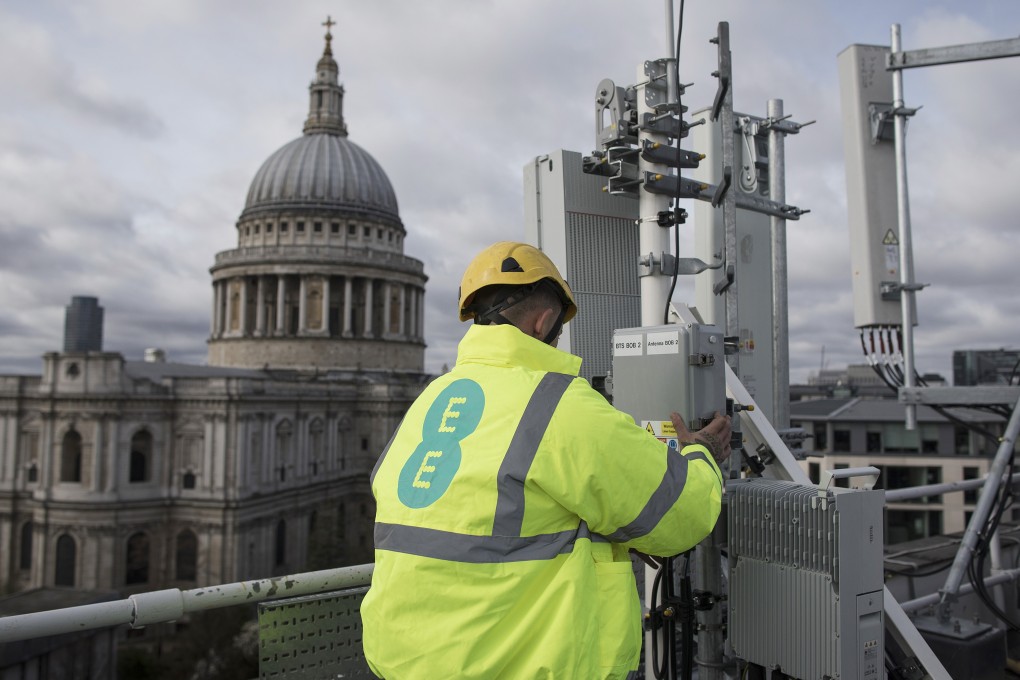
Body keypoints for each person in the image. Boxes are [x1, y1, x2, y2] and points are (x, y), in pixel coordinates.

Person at [361, 241, 731, 679]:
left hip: (404, 665)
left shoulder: (430, 401)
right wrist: (702, 452)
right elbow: (679, 515)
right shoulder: (559, 405)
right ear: (543, 323)